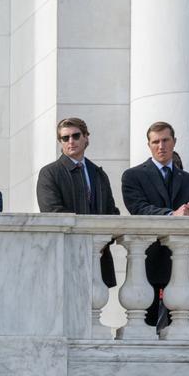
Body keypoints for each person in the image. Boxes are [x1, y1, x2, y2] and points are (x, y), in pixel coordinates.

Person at [120, 121, 189, 330]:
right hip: (148, 259)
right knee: (146, 326)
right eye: (155, 141)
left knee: (180, 326)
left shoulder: (188, 179)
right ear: (149, 145)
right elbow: (138, 208)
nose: (161, 146)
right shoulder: (133, 175)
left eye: (165, 140)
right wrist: (170, 214)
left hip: (180, 261)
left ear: (174, 142)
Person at [35, 116, 119, 290]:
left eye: (76, 135)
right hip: (66, 254)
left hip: (99, 255)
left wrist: (102, 242)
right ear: (60, 142)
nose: (71, 141)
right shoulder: (50, 173)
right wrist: (85, 242)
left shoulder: (98, 174)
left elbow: (112, 213)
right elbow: (52, 212)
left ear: (86, 137)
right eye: (65, 138)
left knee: (93, 311)